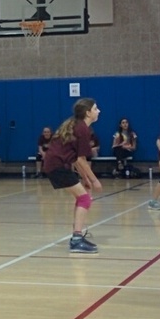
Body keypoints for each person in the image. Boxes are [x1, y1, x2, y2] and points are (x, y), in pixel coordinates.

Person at [41, 98, 102, 253]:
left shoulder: (78, 126)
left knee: (82, 198)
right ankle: (76, 240)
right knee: (85, 198)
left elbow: (75, 158)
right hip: (57, 165)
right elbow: (81, 159)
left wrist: (86, 179)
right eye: (95, 108)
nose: (99, 111)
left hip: (56, 164)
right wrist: (94, 181)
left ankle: (77, 235)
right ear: (88, 113)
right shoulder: (83, 129)